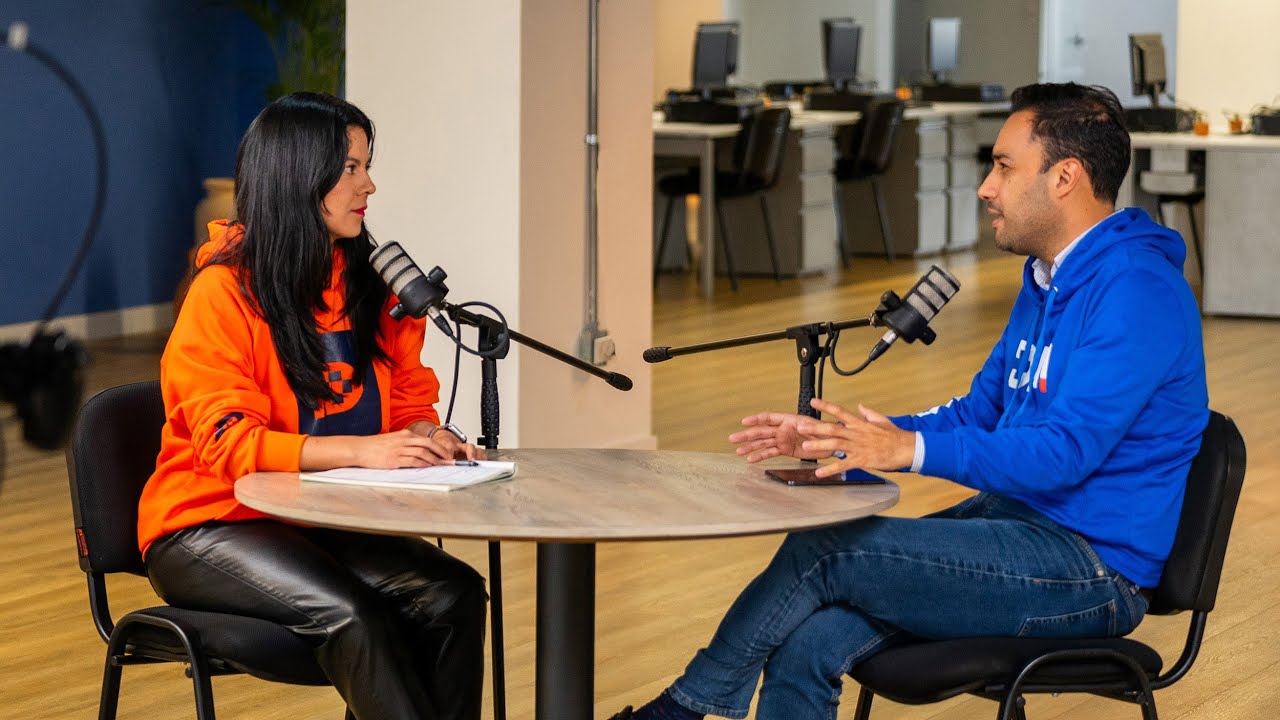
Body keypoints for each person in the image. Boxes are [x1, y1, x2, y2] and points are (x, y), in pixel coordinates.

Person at [611, 82, 1208, 720]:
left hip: (1089, 569)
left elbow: (1064, 454)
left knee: (826, 549)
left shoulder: (1136, 291)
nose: (987, 186)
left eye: (1004, 166)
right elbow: (981, 413)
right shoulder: (1047, 279)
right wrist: (851, 439)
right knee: (810, 641)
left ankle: (683, 707)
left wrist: (908, 450)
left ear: (1066, 177)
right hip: (1016, 526)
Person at [138, 92, 487, 720]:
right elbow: (228, 447)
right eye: (351, 168)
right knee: (351, 615)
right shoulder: (222, 293)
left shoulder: (370, 285)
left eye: (367, 166)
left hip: (313, 517)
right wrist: (365, 451)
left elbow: (408, 396)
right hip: (208, 525)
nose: (369, 185)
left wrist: (426, 435)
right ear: (300, 175)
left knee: (454, 592)